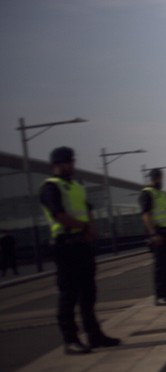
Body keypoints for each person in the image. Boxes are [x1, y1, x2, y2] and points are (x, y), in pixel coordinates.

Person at [39, 146, 120, 354]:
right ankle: (70, 340)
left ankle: (94, 335)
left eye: (72, 161)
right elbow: (58, 215)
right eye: (67, 162)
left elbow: (88, 210)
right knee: (68, 295)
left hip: (83, 245)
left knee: (88, 293)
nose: (71, 165)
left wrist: (91, 229)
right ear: (56, 165)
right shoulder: (50, 187)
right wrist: (83, 227)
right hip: (65, 246)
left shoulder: (77, 186)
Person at [140, 168, 166, 306]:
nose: (161, 181)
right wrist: (153, 234)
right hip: (157, 234)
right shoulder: (147, 193)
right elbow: (146, 215)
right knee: (159, 267)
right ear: (156, 178)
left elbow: (165, 214)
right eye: (160, 178)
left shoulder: (161, 194)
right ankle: (159, 297)